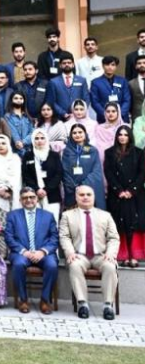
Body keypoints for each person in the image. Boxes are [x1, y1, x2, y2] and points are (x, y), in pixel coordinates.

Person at [60, 186, 120, 320]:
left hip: (101, 255)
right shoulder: (67, 216)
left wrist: (110, 253)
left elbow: (113, 238)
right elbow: (64, 236)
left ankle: (108, 305)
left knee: (110, 267)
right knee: (74, 266)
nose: (85, 197)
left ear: (94, 197)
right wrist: (70, 252)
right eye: (82, 195)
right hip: (79, 255)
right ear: (76, 197)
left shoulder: (105, 215)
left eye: (88, 194)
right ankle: (83, 304)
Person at [6, 187, 59, 314]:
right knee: (19, 264)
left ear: (37, 199)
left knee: (52, 265)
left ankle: (45, 300)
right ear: (20, 200)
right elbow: (8, 237)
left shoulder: (48, 216)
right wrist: (24, 251)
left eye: (32, 197)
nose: (29, 200)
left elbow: (54, 237)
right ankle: (23, 300)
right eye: (25, 198)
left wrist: (42, 251)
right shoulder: (12, 215)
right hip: (22, 253)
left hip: (43, 253)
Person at [103, 125, 144, 268]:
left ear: (130, 136)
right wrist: (119, 190)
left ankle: (134, 256)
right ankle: (124, 256)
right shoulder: (109, 152)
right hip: (117, 195)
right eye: (120, 134)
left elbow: (142, 173)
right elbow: (108, 172)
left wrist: (131, 190)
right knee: (119, 224)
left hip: (135, 195)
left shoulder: (139, 153)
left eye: (125, 135)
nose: (122, 137)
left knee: (134, 224)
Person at [22, 128, 63, 223]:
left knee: (52, 222)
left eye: (42, 138)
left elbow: (58, 174)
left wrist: (46, 190)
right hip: (33, 194)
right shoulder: (28, 156)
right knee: (36, 223)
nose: (39, 141)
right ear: (33, 140)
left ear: (46, 139)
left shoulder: (54, 155)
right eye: (36, 138)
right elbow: (26, 175)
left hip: (52, 194)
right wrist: (37, 189)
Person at [62, 124, 105, 209]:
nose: (77, 135)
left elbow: (96, 171)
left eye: (80, 132)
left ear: (85, 134)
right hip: (72, 191)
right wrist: (74, 187)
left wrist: (83, 185)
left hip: (88, 189)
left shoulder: (92, 150)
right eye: (74, 133)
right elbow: (64, 171)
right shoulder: (67, 151)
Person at [45, 54, 90, 121]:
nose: (67, 64)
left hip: (79, 118)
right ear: (60, 65)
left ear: (73, 65)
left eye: (69, 63)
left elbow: (86, 98)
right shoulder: (53, 82)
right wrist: (63, 114)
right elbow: (51, 101)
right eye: (64, 63)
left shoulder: (82, 80)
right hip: (60, 118)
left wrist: (79, 112)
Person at [90, 56, 131, 123]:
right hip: (103, 119)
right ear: (103, 66)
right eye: (107, 64)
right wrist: (106, 114)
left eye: (113, 65)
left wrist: (119, 114)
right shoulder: (95, 82)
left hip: (122, 118)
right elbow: (95, 102)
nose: (110, 67)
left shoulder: (123, 81)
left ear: (116, 67)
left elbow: (127, 100)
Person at [94, 102, 126, 167]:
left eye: (113, 111)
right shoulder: (99, 128)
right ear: (105, 113)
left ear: (118, 112)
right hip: (102, 156)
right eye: (108, 111)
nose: (110, 114)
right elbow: (97, 144)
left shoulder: (125, 127)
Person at [4, 91, 34, 157]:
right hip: (14, 152)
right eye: (16, 98)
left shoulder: (27, 116)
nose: (18, 100)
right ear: (11, 100)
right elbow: (13, 133)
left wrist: (23, 142)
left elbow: (32, 133)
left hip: (28, 150)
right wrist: (18, 143)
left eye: (21, 98)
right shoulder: (7, 117)